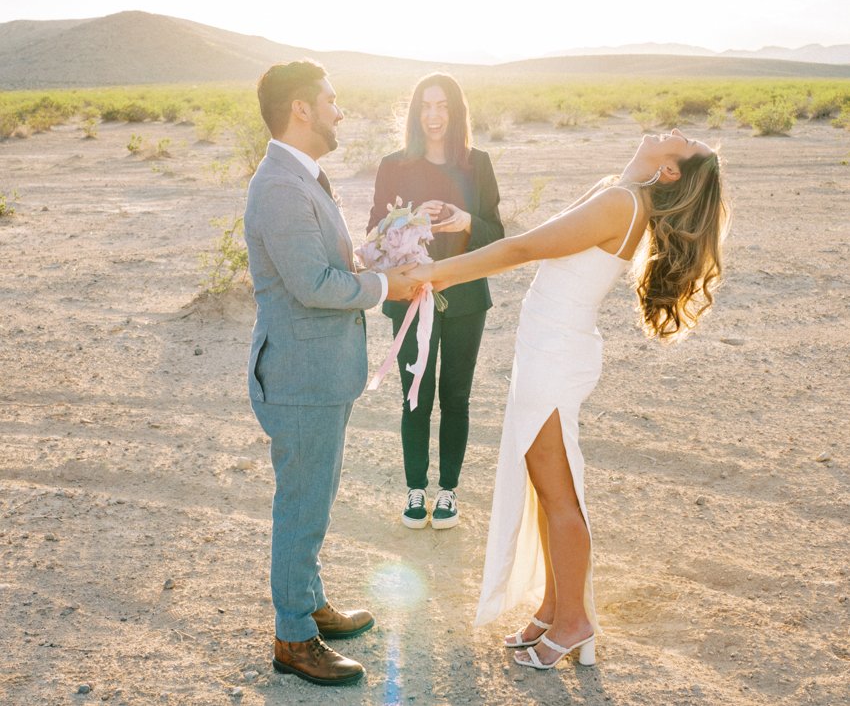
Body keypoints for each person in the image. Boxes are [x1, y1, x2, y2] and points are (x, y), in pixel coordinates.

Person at [408, 129, 727, 669]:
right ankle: (554, 606)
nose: (676, 130)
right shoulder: (621, 192)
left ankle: (575, 620)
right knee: (544, 485)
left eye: (685, 141)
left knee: (558, 493)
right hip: (548, 349)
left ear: (670, 170)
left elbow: (524, 248)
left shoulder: (621, 202)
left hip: (555, 356)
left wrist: (434, 275)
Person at [244, 60, 419, 687]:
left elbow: (329, 262)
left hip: (319, 372)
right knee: (301, 504)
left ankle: (309, 600)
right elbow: (313, 285)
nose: (339, 111)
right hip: (298, 377)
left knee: (314, 498)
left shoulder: (303, 178)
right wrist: (384, 284)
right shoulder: (281, 188)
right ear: (301, 109)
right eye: (332, 100)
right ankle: (293, 637)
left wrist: (379, 248)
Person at [368, 74, 504, 531]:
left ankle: (447, 491)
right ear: (414, 112)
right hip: (411, 297)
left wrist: (466, 220)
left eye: (442, 106)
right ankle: (415, 489)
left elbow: (497, 237)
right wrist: (406, 219)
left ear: (456, 111)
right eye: (426, 106)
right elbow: (374, 234)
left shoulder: (478, 164)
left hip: (466, 299)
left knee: (456, 396)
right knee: (415, 397)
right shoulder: (394, 166)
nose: (433, 115)